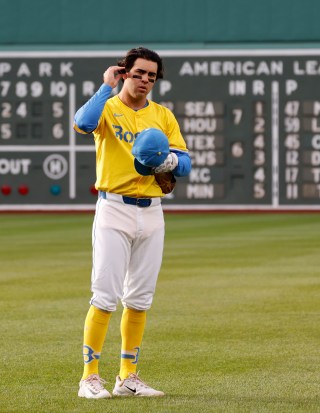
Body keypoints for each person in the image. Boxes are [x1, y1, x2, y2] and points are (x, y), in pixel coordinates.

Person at [73, 47, 191, 399]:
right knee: (105, 296)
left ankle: (127, 377)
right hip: (114, 208)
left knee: (139, 299)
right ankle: (89, 378)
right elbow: (82, 123)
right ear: (125, 72)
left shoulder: (162, 116)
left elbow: (185, 164)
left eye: (151, 76)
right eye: (138, 73)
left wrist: (167, 160)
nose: (145, 81)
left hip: (152, 210)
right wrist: (105, 86)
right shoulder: (108, 107)